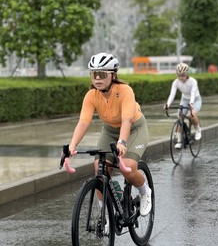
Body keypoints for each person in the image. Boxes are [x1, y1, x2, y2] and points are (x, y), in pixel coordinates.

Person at [69, 52, 152, 217]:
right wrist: (72, 146)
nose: (97, 79)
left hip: (135, 129)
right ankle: (105, 213)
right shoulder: (91, 95)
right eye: (94, 74)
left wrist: (122, 142)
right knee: (99, 170)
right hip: (109, 130)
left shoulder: (125, 90)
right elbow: (84, 122)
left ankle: (144, 191)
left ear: (112, 75)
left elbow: (127, 119)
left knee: (128, 167)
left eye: (101, 74)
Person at [164, 63, 202, 148]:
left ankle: (198, 129)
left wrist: (191, 104)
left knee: (192, 115)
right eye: (179, 75)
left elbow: (192, 93)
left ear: (187, 74)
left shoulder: (193, 81)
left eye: (183, 75)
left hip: (195, 99)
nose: (181, 77)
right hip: (184, 100)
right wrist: (167, 104)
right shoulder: (176, 83)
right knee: (180, 117)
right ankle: (179, 141)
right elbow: (172, 94)